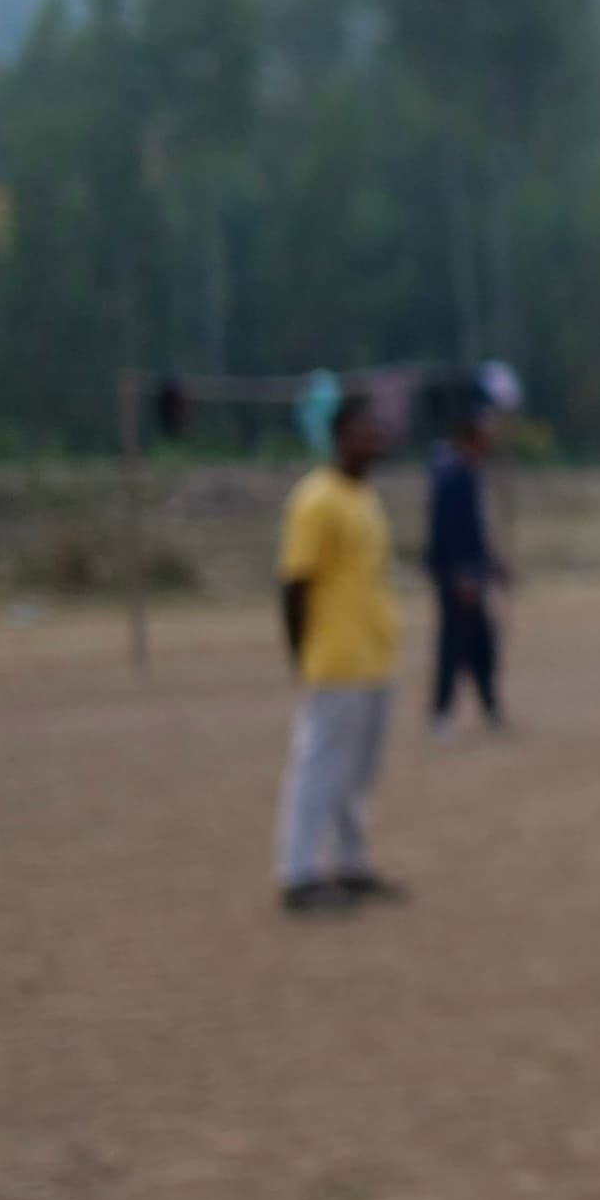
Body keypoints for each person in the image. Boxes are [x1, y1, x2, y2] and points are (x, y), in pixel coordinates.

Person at [271, 391, 406, 913]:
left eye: (378, 429)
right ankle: (297, 872)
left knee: (357, 772)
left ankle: (350, 863)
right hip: (334, 658)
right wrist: (299, 654)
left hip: (373, 656)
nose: (376, 438)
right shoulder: (316, 498)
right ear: (341, 434)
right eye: (366, 429)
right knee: (318, 766)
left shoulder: (365, 497)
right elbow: (294, 584)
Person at [424, 401, 505, 733]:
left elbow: (475, 529)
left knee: (482, 641)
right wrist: (459, 575)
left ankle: (489, 706)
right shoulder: (449, 476)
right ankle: (441, 714)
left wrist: (493, 562)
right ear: (470, 438)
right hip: (454, 576)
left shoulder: (470, 474)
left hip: (473, 572)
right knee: (453, 643)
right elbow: (444, 532)